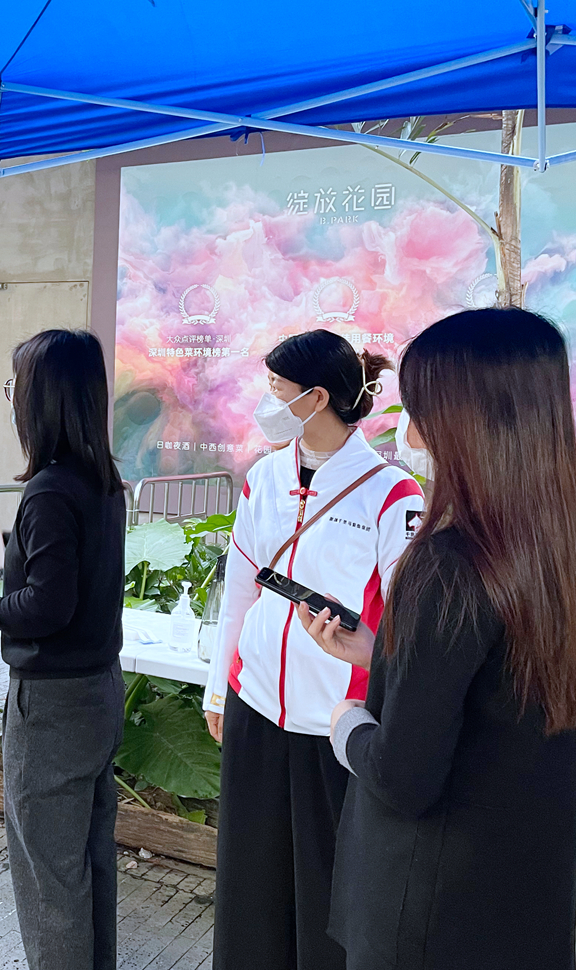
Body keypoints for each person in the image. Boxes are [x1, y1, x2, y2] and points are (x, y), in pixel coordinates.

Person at [301, 307, 576, 970]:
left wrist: (346, 723)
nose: (409, 432)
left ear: (471, 424)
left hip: (428, 908)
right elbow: (495, 695)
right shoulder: (565, 558)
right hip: (519, 890)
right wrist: (385, 653)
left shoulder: (448, 563)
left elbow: (404, 776)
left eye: (421, 412)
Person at [205, 329, 422, 970]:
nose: (266, 400)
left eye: (277, 388)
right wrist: (219, 689)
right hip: (253, 704)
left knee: (325, 888)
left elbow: (407, 624)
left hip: (334, 723)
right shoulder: (264, 477)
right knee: (248, 878)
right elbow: (239, 591)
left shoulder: (392, 494)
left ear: (317, 397)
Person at [0, 329, 127, 970]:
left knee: (50, 881)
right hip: (99, 693)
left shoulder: (48, 490)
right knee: (89, 863)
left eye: (16, 384)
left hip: (52, 709)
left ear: (41, 398)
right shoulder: (102, 481)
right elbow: (64, 576)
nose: (10, 396)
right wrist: (1, 557)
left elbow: (48, 605)